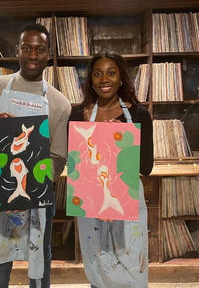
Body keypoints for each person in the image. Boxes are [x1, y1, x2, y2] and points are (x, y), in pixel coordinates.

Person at [0, 23, 71, 288]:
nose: (32, 55)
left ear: (49, 53)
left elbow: (58, 157)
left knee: (40, 263)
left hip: (38, 199)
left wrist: (35, 185)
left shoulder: (59, 102)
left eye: (39, 49)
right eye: (27, 48)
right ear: (17, 51)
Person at [69, 51, 153, 288]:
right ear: (91, 81)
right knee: (97, 260)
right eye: (97, 74)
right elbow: (73, 163)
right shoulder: (77, 115)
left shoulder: (138, 114)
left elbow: (146, 167)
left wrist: (122, 143)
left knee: (130, 257)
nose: (104, 79)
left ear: (121, 79)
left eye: (111, 73)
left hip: (125, 198)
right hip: (90, 200)